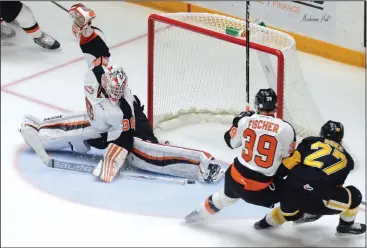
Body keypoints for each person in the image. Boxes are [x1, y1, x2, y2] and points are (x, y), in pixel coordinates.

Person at [19, 3, 223, 184]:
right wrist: (86, 29)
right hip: (100, 126)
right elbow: (99, 51)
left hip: (127, 128)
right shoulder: (96, 73)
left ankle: (204, 165)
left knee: (147, 155)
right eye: (113, 89)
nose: (116, 93)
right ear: (105, 82)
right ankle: (35, 127)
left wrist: (109, 163)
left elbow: (123, 139)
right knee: (74, 132)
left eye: (119, 89)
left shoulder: (122, 109)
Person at [184, 88, 297, 223]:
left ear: (256, 105)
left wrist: (237, 121)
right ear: (275, 106)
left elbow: (230, 142)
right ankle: (266, 224)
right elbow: (287, 157)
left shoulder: (246, 121)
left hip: (235, 178)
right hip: (260, 190)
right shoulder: (286, 129)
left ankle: (194, 216)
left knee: (224, 197)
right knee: (295, 193)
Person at [254, 120, 366, 236]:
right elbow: (336, 186)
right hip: (317, 200)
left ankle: (263, 224)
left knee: (291, 210)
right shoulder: (348, 159)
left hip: (288, 195)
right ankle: (345, 226)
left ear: (321, 133)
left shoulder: (308, 142)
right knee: (354, 195)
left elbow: (286, 166)